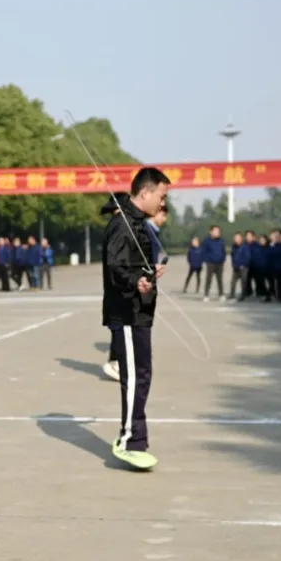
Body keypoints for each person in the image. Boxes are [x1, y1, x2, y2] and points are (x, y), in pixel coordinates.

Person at [101, 167, 170, 470]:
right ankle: (130, 440)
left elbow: (131, 264)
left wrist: (150, 271)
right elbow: (115, 267)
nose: (162, 203)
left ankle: (134, 437)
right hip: (127, 313)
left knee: (142, 375)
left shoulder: (138, 223)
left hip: (140, 313)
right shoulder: (122, 224)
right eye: (161, 196)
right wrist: (135, 281)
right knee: (133, 378)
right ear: (146, 192)